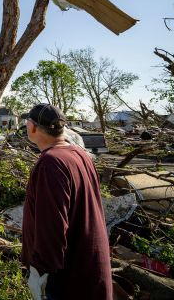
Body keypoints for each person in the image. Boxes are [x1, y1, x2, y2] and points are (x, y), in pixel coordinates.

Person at [21, 103, 111, 300]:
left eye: (27, 122)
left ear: (33, 127)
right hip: (89, 268)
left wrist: (41, 271)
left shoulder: (51, 162)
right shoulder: (80, 155)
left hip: (68, 280)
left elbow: (52, 224)